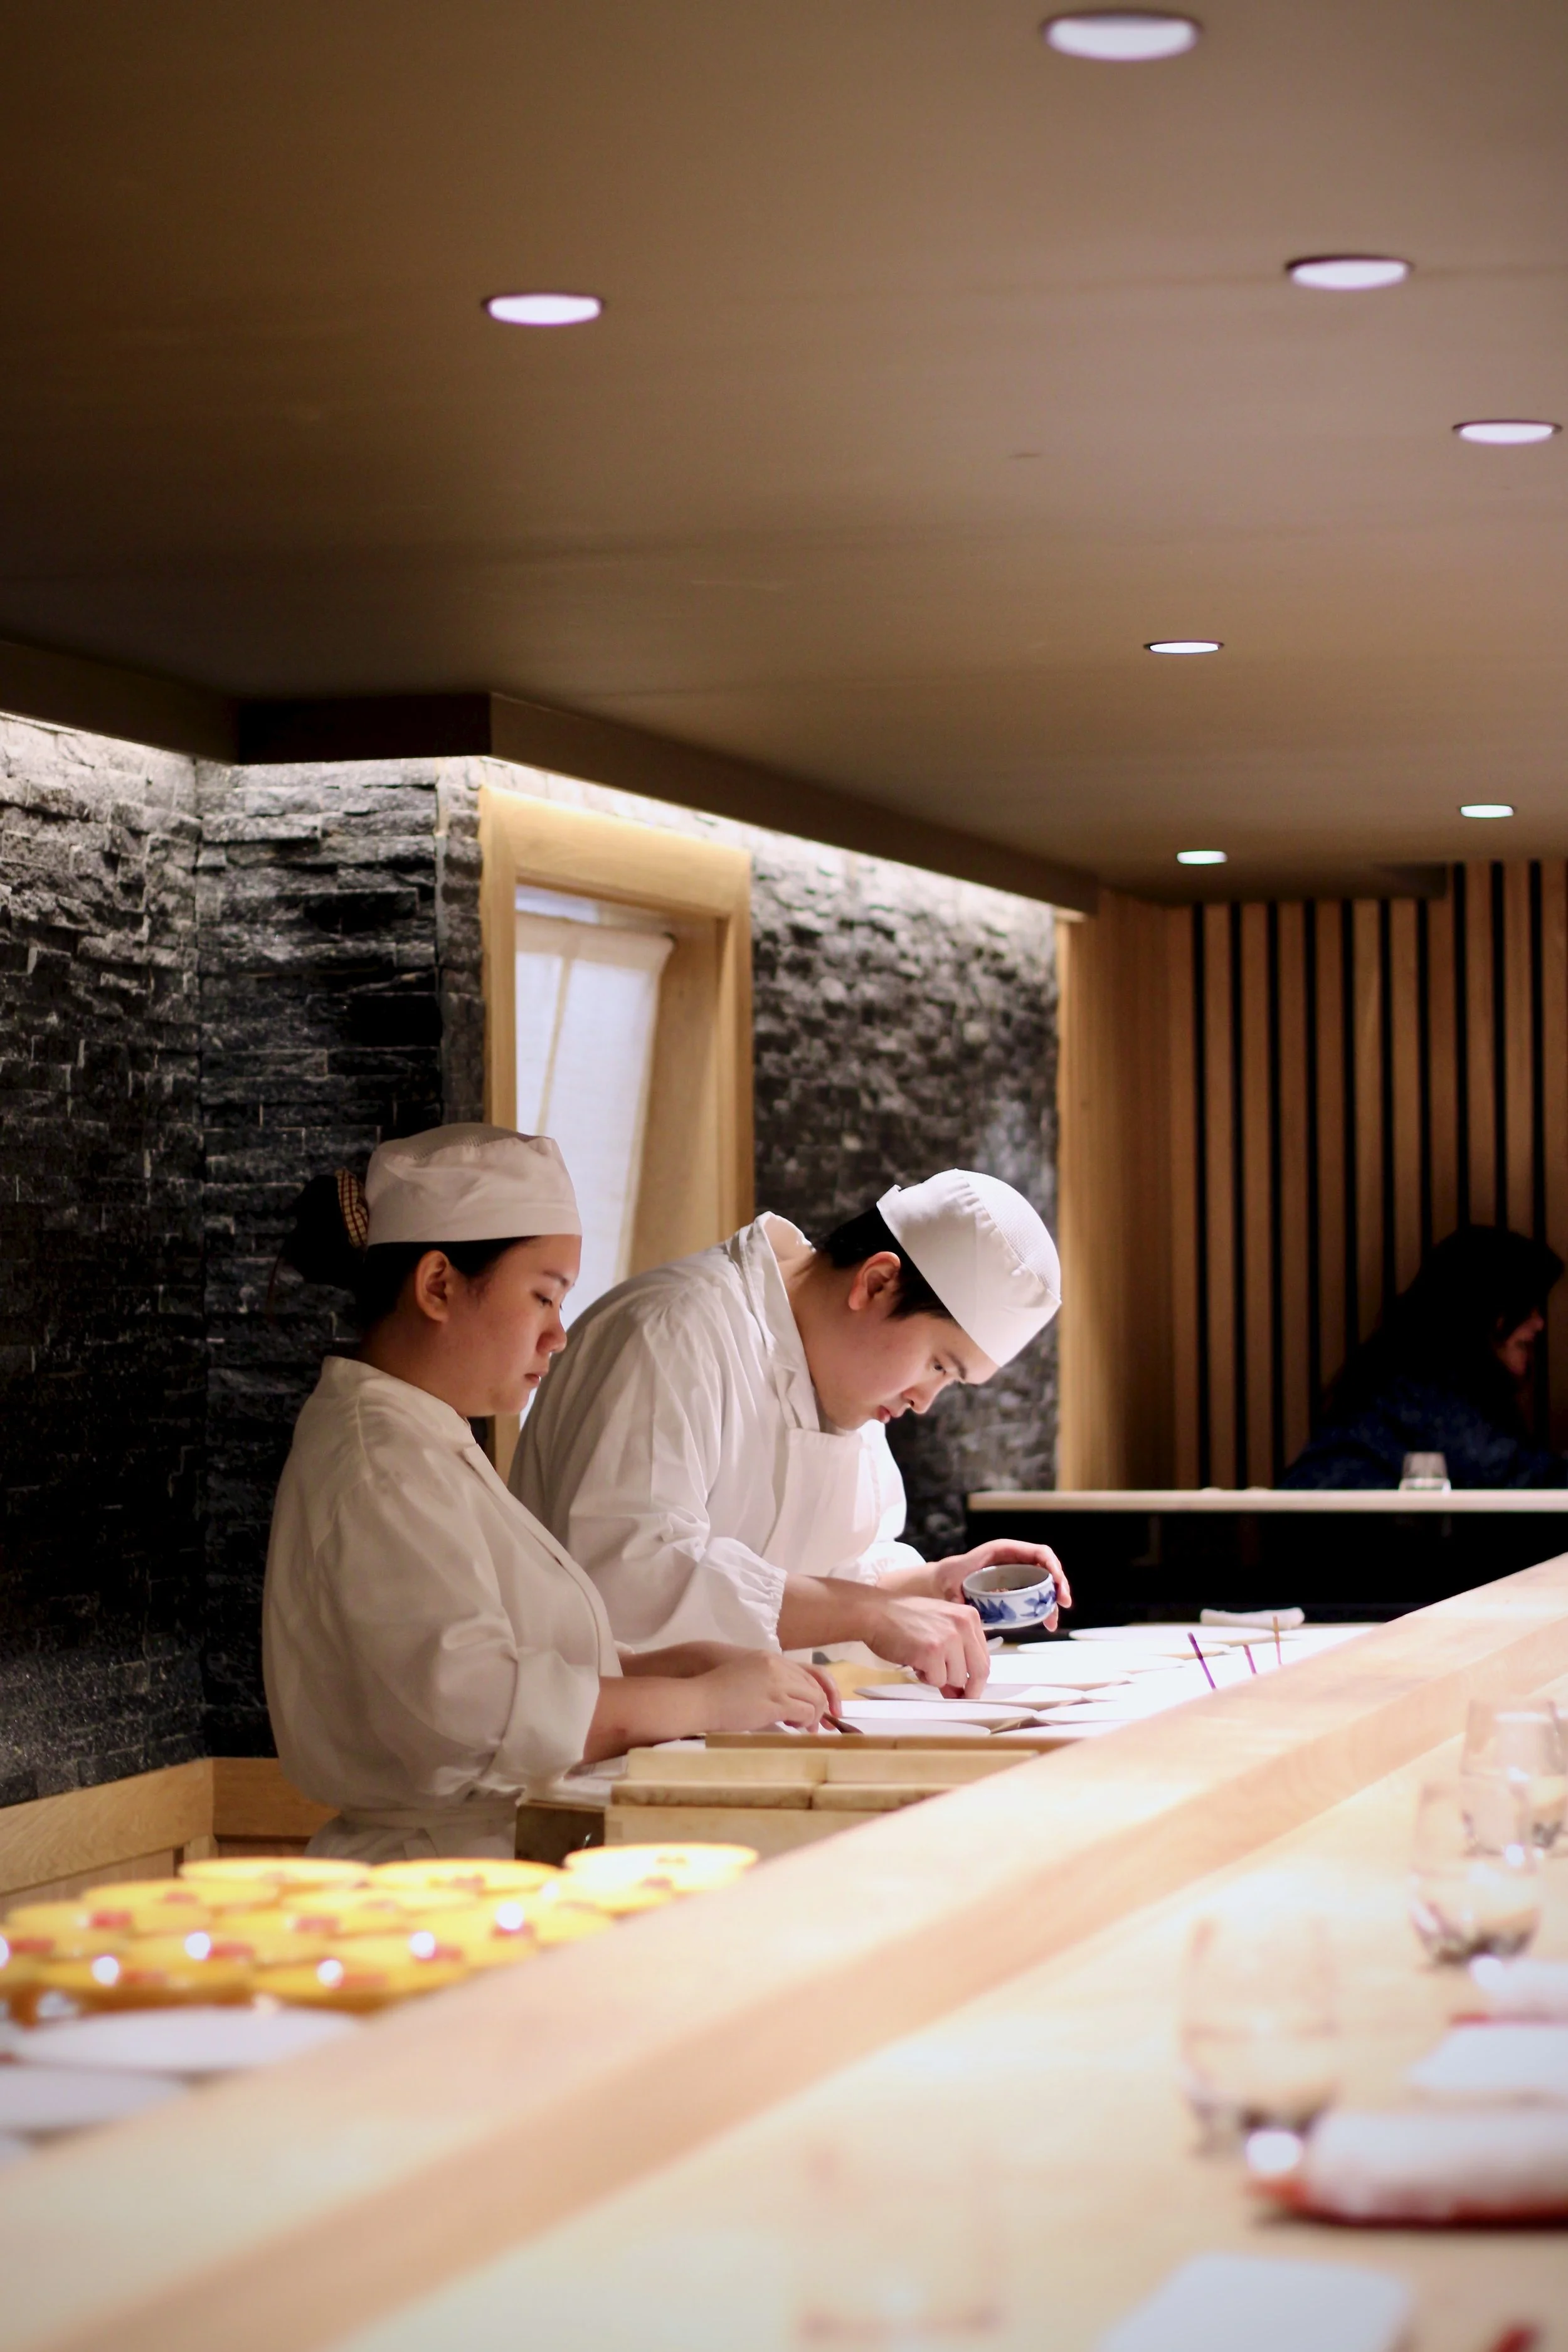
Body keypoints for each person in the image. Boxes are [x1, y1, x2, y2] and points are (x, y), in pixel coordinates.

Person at [262, 1125, 840, 1861]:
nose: (557, 1336)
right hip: (439, 1873)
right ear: (437, 1286)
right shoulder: (380, 1461)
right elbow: (471, 1712)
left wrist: (661, 1667)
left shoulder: (424, 1439)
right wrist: (702, 1701)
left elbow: (508, 1661)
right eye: (543, 1297)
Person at [511, 1171, 1068, 1696]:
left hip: (734, 1737)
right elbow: (631, 1577)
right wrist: (871, 1614)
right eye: (939, 1365)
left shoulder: (848, 1378)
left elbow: (834, 1578)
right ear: (876, 1283)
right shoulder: (672, 1331)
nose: (924, 1400)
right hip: (589, 1742)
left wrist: (936, 1586)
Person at [1281, 1225, 1567, 1490]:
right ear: (1483, 1311)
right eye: (1526, 1307)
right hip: (1334, 1527)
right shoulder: (1421, 1384)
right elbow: (1519, 1477)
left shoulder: (1425, 1380)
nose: (1539, 1323)